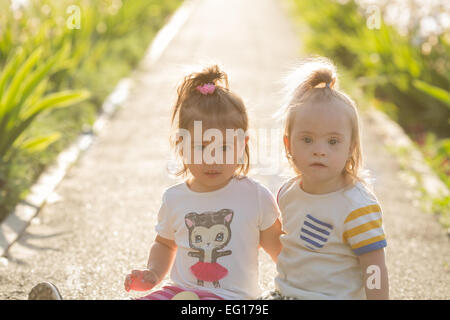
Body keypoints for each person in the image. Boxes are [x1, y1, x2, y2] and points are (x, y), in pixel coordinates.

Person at [28, 65, 283, 300]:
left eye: (223, 147)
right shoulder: (175, 199)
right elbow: (165, 244)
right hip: (181, 292)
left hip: (231, 299)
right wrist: (152, 273)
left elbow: (281, 251)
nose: (212, 158)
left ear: (242, 145)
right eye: (201, 147)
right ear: (181, 145)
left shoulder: (255, 197)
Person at [264, 57, 389, 300]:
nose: (319, 150)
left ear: (350, 148)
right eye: (307, 139)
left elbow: (374, 267)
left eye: (332, 142)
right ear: (288, 144)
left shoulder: (357, 206)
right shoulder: (288, 193)